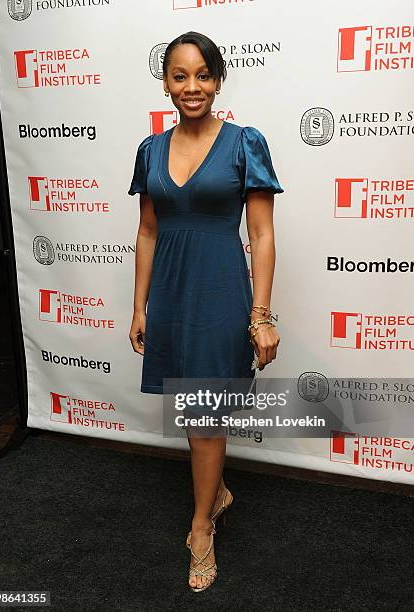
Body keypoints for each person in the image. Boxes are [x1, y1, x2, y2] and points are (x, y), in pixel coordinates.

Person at [127, 31, 284, 592]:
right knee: (194, 414)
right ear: (165, 82)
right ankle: (214, 493)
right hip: (170, 291)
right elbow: (147, 232)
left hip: (220, 291)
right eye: (179, 76)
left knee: (203, 415)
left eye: (202, 75)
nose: (191, 87)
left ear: (217, 80)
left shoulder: (245, 143)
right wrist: (140, 305)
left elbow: (262, 236)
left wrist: (261, 314)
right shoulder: (150, 150)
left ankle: (201, 527)